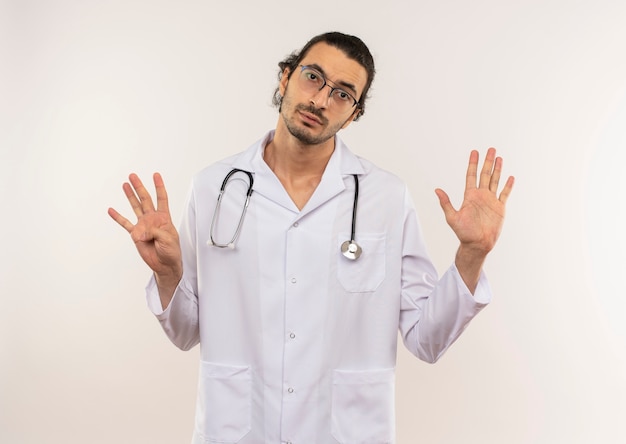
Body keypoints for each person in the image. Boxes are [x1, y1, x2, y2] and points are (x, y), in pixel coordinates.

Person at [108, 31, 513, 444]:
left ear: (354, 114)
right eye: (313, 77)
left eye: (342, 94)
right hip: (239, 431)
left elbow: (427, 340)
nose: (320, 101)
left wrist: (472, 255)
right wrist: (168, 275)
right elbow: (184, 332)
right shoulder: (215, 188)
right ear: (285, 78)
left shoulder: (385, 198)